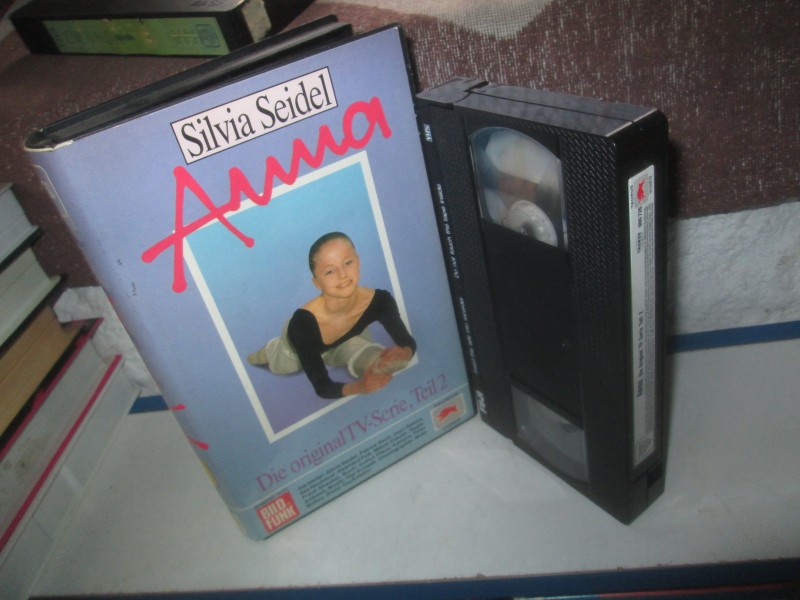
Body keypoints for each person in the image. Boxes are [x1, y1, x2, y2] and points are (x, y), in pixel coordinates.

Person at [247, 232, 415, 399]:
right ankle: (265, 353)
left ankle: (373, 363)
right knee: (282, 363)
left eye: (348, 262)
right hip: (296, 348)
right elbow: (323, 387)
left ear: (358, 261)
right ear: (316, 282)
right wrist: (359, 387)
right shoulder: (302, 325)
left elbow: (407, 342)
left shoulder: (380, 301)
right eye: (329, 271)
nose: (343, 275)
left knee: (359, 347)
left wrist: (405, 352)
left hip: (348, 337)